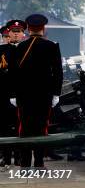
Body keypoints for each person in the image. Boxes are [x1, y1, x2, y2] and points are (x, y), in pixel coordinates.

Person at [8, 14, 62, 169]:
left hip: (24, 96)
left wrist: (13, 94)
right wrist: (56, 93)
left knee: (24, 127)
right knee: (41, 127)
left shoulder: (20, 47)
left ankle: (25, 164)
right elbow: (58, 72)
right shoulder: (52, 46)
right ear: (43, 29)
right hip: (44, 95)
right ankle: (39, 162)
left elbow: (13, 73)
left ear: (29, 29)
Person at [0, 25, 17, 170]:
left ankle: (16, 158)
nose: (7, 38)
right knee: (4, 128)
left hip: (16, 95)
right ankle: (5, 158)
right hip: (3, 96)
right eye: (5, 36)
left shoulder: (18, 50)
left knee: (17, 127)